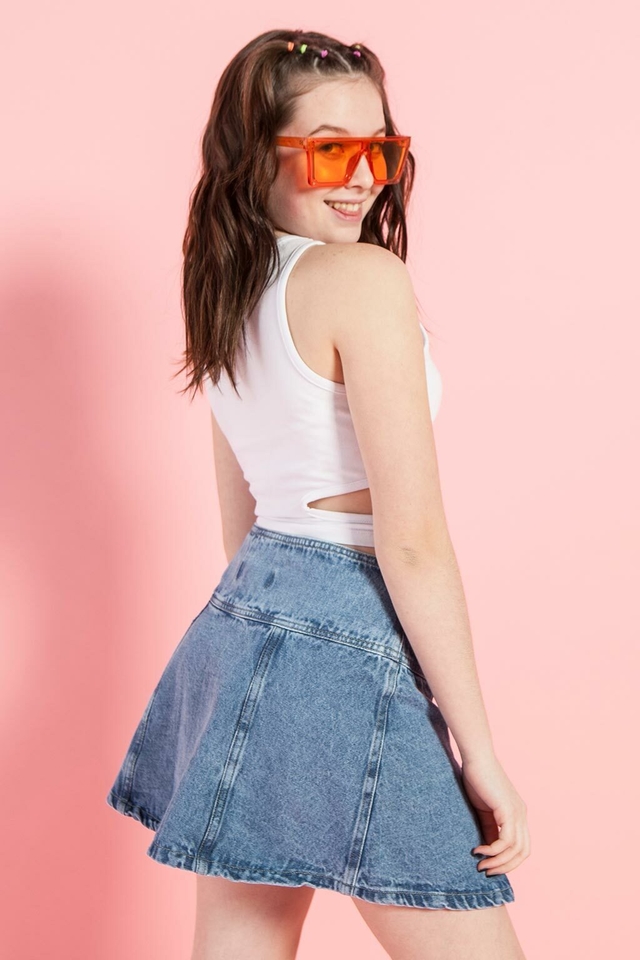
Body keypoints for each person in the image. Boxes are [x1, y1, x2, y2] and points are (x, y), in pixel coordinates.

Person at [106, 28, 530, 960]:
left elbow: (244, 524)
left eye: (383, 148)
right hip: (347, 626)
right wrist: (480, 753)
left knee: (241, 942)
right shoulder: (361, 279)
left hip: (246, 621)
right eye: (331, 148)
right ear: (256, 152)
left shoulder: (224, 288)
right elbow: (411, 541)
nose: (365, 177)